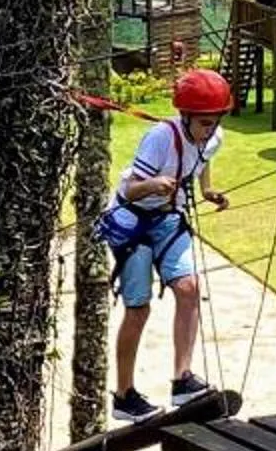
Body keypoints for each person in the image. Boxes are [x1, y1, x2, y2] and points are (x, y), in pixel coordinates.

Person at [100, 68, 234, 421]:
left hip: (168, 219)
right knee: (138, 309)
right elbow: (131, 189)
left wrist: (207, 190)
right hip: (132, 223)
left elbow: (202, 159)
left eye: (215, 122)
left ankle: (182, 380)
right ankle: (124, 397)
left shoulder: (212, 136)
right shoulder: (160, 138)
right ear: (185, 116)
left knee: (189, 289)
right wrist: (154, 184)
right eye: (204, 123)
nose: (210, 130)